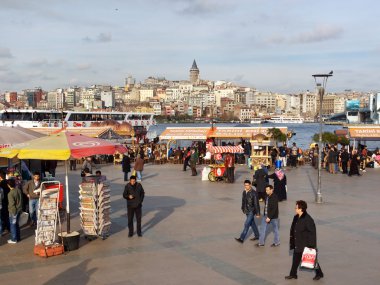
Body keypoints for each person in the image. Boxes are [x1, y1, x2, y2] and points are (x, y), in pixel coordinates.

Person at [285, 200, 324, 281]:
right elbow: (293, 228)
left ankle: (319, 273)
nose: (295, 209)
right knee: (295, 259)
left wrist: (311, 246)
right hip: (297, 242)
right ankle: (293, 274)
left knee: (312, 259)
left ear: (301, 209)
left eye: (296, 207)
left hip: (304, 244)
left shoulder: (308, 219)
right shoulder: (296, 217)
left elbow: (312, 233)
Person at [7, 179, 23, 244]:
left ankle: (14, 239)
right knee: (16, 224)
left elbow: (12, 204)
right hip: (19, 209)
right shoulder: (18, 190)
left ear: (8, 185)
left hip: (13, 211)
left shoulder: (10, 193)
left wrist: (13, 212)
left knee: (13, 225)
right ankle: (18, 238)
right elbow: (21, 200)